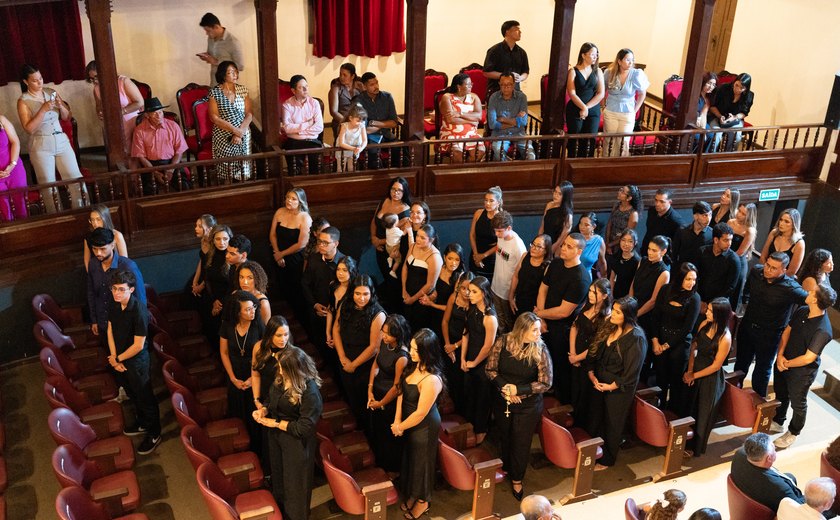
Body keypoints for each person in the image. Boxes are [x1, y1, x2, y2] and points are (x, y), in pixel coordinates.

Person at [486, 312, 552, 502]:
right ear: (522, 330)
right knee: (506, 435)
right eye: (535, 330)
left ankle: (517, 478)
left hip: (528, 405)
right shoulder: (503, 341)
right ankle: (507, 466)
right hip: (504, 398)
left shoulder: (541, 349)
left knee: (521, 442)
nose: (539, 333)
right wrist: (506, 389)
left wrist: (519, 390)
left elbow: (546, 382)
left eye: (539, 329)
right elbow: (490, 369)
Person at [253, 346, 323, 520]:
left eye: (283, 368)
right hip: (277, 438)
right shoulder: (281, 378)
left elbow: (303, 428)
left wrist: (276, 423)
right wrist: (264, 410)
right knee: (279, 479)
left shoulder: (310, 392)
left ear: (295, 370)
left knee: (295, 486)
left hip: (296, 443)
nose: (280, 370)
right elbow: (271, 399)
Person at [735, 251, 808, 397]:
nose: (768, 269)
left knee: (762, 371)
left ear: (784, 270)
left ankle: (757, 404)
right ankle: (732, 396)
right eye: (767, 265)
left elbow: (810, 302)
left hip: (769, 335)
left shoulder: (790, 288)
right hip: (748, 326)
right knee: (740, 365)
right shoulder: (757, 271)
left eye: (773, 268)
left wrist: (794, 325)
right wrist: (746, 301)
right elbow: (747, 289)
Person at [773, 283, 837, 449]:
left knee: (798, 403)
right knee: (780, 393)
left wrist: (786, 363)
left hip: (801, 372)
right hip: (784, 360)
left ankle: (793, 432)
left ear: (815, 300)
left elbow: (808, 358)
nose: (808, 292)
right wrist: (780, 355)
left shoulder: (823, 330)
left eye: (811, 292)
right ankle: (778, 420)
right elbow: (787, 331)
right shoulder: (802, 310)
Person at [17, 64, 86, 213]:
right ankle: (56, 216)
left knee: (75, 177)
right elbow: (29, 128)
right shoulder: (23, 101)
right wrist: (42, 110)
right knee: (48, 184)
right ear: (25, 82)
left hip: (60, 139)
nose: (40, 82)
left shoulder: (51, 92)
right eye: (35, 80)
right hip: (41, 143)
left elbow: (67, 117)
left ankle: (82, 210)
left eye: (40, 78)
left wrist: (61, 107)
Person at [106, 269, 161, 455]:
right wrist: (113, 357)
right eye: (114, 289)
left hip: (136, 362)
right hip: (119, 359)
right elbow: (110, 330)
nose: (116, 293)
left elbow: (138, 345)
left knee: (145, 397)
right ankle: (143, 423)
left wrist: (117, 359)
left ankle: (154, 433)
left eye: (121, 289)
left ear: (131, 289)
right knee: (132, 394)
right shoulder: (114, 305)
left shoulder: (138, 310)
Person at [588, 296, 646, 469]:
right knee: (598, 420)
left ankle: (607, 460)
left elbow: (631, 373)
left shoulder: (636, 338)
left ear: (628, 315)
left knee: (613, 423)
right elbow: (597, 352)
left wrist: (611, 386)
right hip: (600, 383)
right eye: (613, 309)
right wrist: (592, 375)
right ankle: (595, 452)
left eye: (617, 312)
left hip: (619, 389)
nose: (612, 313)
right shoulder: (611, 326)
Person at [392, 328, 444, 520]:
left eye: (416, 350)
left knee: (422, 463)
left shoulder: (431, 379)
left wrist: (400, 427)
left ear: (427, 352)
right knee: (411, 460)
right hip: (408, 422)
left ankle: (423, 501)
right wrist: (397, 420)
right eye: (411, 348)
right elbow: (401, 393)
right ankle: (414, 494)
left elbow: (421, 413)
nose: (411, 352)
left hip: (424, 427)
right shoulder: (413, 367)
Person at [535, 233, 591, 404]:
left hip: (562, 329)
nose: (563, 248)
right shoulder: (557, 263)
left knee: (560, 367)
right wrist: (542, 319)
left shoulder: (581, 277)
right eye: (564, 244)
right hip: (545, 322)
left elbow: (564, 311)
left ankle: (563, 404)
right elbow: (543, 289)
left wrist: (539, 314)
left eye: (569, 246)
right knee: (543, 361)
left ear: (579, 251)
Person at [333, 275, 386, 426]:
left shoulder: (378, 313)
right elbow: (336, 329)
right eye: (357, 294)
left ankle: (366, 429)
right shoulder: (345, 304)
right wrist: (342, 356)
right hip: (344, 355)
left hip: (364, 363)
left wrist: (353, 365)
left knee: (363, 399)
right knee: (350, 395)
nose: (361, 298)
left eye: (365, 294)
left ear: (372, 293)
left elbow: (374, 347)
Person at [684, 298, 731, 456]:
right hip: (696, 369)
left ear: (719, 314)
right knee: (690, 407)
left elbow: (716, 366)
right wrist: (690, 370)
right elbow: (694, 347)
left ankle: (695, 449)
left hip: (709, 378)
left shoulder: (725, 337)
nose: (707, 312)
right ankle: (683, 443)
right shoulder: (704, 324)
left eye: (711, 311)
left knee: (703, 414)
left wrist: (694, 375)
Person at [651, 262, 700, 413]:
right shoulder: (666, 290)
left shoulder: (694, 298)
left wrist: (665, 346)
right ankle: (658, 412)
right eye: (688, 279)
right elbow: (656, 316)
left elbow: (687, 328)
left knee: (675, 382)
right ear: (679, 278)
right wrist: (655, 341)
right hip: (660, 339)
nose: (691, 283)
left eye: (694, 280)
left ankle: (673, 414)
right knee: (661, 379)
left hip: (679, 344)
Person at [219, 290, 265, 450]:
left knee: (255, 414)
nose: (252, 311)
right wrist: (232, 378)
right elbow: (224, 353)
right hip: (235, 373)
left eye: (253, 307)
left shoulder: (258, 324)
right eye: (247, 309)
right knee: (239, 413)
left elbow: (265, 354)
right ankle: (243, 448)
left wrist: (253, 378)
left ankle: (258, 448)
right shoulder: (227, 325)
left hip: (255, 372)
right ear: (237, 312)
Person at [86, 228, 146, 347]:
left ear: (113, 245)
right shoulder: (93, 264)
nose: (98, 253)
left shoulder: (128, 266)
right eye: (94, 249)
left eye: (102, 249)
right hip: (103, 324)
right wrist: (94, 320)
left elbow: (140, 299)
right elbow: (91, 293)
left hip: (126, 327)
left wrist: (139, 329)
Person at [366, 314, 410, 474]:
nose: (383, 336)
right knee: (377, 433)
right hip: (377, 392)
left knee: (388, 438)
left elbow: (397, 387)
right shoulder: (385, 344)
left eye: (387, 333)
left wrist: (381, 403)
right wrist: (370, 388)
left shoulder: (402, 357)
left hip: (389, 401)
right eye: (383, 331)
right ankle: (379, 464)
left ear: (397, 335)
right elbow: (376, 363)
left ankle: (392, 469)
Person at [251, 315, 293, 479]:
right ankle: (271, 473)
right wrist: (257, 400)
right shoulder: (258, 348)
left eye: (286, 335)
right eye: (279, 335)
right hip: (264, 400)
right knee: (268, 441)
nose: (284, 339)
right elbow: (255, 375)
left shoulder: (290, 353)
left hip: (283, 402)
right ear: (269, 335)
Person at [730, 432, 806, 514]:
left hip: (748, 491)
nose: (775, 450)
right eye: (774, 449)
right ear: (769, 458)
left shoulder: (739, 454)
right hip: (772, 506)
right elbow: (798, 509)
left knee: (790, 477)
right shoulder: (780, 488)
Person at [461, 276, 498, 444]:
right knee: (470, 394)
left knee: (483, 397)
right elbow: (466, 333)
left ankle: (481, 429)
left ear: (483, 293)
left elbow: (488, 346)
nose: (469, 294)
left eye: (474, 292)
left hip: (483, 362)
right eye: (469, 290)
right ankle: (470, 424)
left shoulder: (490, 317)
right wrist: (463, 358)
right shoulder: (471, 308)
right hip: (470, 357)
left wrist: (475, 362)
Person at [85, 60, 144, 161]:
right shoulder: (96, 88)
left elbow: (139, 103)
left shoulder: (123, 81)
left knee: (131, 152)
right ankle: (124, 171)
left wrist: (120, 112)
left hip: (132, 120)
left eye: (96, 77)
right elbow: (99, 106)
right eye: (91, 79)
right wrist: (100, 113)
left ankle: (136, 173)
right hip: (113, 123)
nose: (94, 81)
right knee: (117, 151)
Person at [301, 226, 345, 360]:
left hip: (338, 315)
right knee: (319, 341)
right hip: (317, 310)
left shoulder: (345, 264)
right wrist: (314, 305)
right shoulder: (313, 259)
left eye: (325, 243)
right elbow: (305, 283)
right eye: (319, 241)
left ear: (336, 244)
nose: (321, 245)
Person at [131, 97, 190, 194]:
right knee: (148, 191)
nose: (158, 116)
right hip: (150, 165)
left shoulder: (173, 126)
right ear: (147, 115)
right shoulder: (139, 130)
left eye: (160, 112)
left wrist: (171, 170)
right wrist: (155, 173)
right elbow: (141, 157)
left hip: (172, 162)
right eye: (154, 113)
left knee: (184, 186)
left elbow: (179, 152)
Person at [269, 187, 312, 316]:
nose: (289, 201)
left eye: (293, 199)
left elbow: (301, 244)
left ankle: (300, 314)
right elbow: (272, 234)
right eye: (288, 197)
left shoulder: (305, 218)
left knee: (296, 288)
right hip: (277, 254)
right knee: (282, 285)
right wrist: (277, 253)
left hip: (295, 258)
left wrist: (281, 254)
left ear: (300, 201)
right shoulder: (279, 212)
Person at [370, 177, 412, 307]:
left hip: (393, 252)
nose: (396, 193)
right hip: (379, 249)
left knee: (394, 282)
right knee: (386, 278)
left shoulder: (406, 210)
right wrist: (373, 238)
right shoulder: (384, 201)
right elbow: (374, 221)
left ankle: (395, 311)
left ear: (404, 192)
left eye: (399, 190)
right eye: (393, 189)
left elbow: (396, 237)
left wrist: (379, 242)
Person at [208, 61, 252, 181]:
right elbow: (214, 118)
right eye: (231, 72)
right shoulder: (214, 92)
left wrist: (240, 132)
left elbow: (249, 114)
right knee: (226, 171)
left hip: (242, 133)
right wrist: (234, 130)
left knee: (243, 171)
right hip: (223, 134)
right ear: (223, 75)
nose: (235, 74)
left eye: (236, 71)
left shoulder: (243, 90)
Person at [602, 48, 649, 157]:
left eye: (632, 60)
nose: (630, 62)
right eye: (627, 60)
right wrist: (603, 106)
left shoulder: (636, 74)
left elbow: (642, 94)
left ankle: (620, 167)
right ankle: (606, 165)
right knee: (609, 141)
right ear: (619, 61)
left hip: (627, 113)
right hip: (611, 111)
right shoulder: (609, 72)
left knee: (623, 142)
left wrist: (634, 111)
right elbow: (602, 91)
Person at [419, 242, 466, 340]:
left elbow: (453, 307)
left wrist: (432, 304)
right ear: (444, 257)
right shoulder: (441, 268)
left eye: (457, 260)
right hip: (435, 310)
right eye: (450, 258)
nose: (453, 263)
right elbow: (437, 291)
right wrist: (429, 298)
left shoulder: (460, 278)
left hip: (449, 316)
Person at [352, 72, 400, 169]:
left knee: (399, 147)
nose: (376, 86)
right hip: (369, 136)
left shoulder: (387, 97)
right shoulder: (359, 101)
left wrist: (377, 124)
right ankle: (375, 178)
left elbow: (394, 122)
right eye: (372, 85)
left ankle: (396, 174)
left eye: (377, 83)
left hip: (386, 133)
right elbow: (360, 126)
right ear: (364, 87)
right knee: (372, 152)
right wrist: (378, 124)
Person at [441, 271, 473, 414]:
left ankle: (463, 410)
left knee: (463, 381)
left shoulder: (474, 304)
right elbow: (445, 321)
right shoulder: (453, 298)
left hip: (465, 344)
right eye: (463, 288)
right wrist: (448, 345)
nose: (466, 292)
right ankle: (454, 404)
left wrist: (455, 346)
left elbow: (471, 333)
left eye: (469, 289)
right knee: (451, 375)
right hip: (450, 342)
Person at [565, 42, 604, 158]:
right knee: (574, 139)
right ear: (583, 55)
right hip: (575, 107)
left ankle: (585, 166)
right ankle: (571, 164)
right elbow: (571, 92)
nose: (595, 57)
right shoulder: (573, 71)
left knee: (590, 141)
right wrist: (582, 107)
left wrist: (587, 108)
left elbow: (601, 93)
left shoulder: (598, 71)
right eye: (592, 54)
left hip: (593, 109)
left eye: (596, 54)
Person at [490, 210, 527, 333]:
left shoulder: (518, 246)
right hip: (495, 286)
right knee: (499, 318)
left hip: (507, 291)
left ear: (509, 228)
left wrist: (512, 294)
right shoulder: (501, 237)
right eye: (495, 230)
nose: (496, 234)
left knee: (509, 322)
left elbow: (521, 273)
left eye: (499, 231)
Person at [401, 224, 442, 332]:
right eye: (417, 236)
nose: (418, 239)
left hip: (421, 300)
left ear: (431, 240)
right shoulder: (413, 246)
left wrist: (413, 299)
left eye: (422, 238)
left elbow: (430, 285)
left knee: (418, 328)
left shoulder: (434, 257)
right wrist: (404, 289)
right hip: (407, 293)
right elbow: (405, 266)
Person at [630, 235, 671, 341]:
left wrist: (635, 315)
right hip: (633, 307)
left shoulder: (664, 272)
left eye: (654, 250)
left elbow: (653, 301)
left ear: (663, 251)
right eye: (649, 249)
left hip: (646, 315)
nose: (650, 252)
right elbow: (633, 283)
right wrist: (629, 305)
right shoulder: (642, 261)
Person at [281, 75, 324, 175]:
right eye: (301, 87)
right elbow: (287, 128)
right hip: (295, 142)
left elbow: (319, 127)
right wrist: (308, 124)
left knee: (317, 170)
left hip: (312, 141)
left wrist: (298, 130)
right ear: (293, 91)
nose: (305, 89)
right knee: (295, 171)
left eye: (306, 86)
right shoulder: (287, 105)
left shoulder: (315, 103)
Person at [487, 72, 535, 161]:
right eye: (503, 84)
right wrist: (516, 121)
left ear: (514, 84)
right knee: (499, 155)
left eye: (509, 84)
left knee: (531, 156)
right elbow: (492, 124)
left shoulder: (522, 97)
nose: (506, 87)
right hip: (499, 134)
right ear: (499, 84)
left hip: (519, 133)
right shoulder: (494, 97)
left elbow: (523, 122)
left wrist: (502, 119)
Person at [439, 73, 485, 163]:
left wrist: (460, 114)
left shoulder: (474, 97)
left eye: (471, 84)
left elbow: (479, 116)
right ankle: (460, 174)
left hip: (471, 134)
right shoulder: (447, 97)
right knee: (457, 154)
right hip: (451, 134)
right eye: (468, 84)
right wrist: (471, 121)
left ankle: (467, 173)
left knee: (479, 152)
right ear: (459, 86)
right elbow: (450, 119)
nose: (471, 86)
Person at [201, 224, 233, 344]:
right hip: (212, 299)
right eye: (218, 239)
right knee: (213, 333)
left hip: (228, 301)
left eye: (225, 239)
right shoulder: (209, 256)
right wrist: (214, 301)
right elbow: (207, 279)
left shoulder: (232, 257)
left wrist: (221, 304)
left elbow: (233, 285)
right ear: (213, 240)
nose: (222, 243)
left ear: (230, 239)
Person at [697, 223, 741, 309]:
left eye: (731, 240)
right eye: (726, 240)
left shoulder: (734, 260)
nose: (729, 244)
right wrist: (699, 300)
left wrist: (711, 304)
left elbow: (729, 288)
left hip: (717, 305)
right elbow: (696, 276)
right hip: (698, 298)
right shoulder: (702, 251)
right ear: (716, 240)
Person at [709, 72, 754, 152]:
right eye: (737, 85)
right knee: (716, 135)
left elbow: (744, 112)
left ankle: (726, 158)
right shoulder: (724, 88)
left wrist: (735, 117)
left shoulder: (749, 95)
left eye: (742, 87)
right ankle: (711, 158)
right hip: (717, 116)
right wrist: (720, 116)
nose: (738, 89)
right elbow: (712, 106)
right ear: (734, 82)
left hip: (735, 120)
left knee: (736, 136)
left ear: (746, 88)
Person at [510, 234, 553, 318]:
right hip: (518, 301)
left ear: (546, 250)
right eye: (533, 244)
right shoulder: (525, 256)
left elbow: (544, 292)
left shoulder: (548, 266)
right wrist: (511, 296)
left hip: (533, 308)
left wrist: (540, 312)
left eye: (538, 246)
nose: (533, 248)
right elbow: (516, 276)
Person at [483, 20, 529, 94]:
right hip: (497, 90)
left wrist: (520, 78)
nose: (520, 32)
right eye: (517, 29)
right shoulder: (494, 50)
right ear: (507, 32)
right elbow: (486, 72)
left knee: (522, 99)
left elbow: (525, 71)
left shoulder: (522, 52)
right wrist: (507, 76)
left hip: (515, 90)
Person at [198, 13, 244, 85]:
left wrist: (216, 62)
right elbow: (211, 55)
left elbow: (240, 66)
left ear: (216, 27)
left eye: (208, 31)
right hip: (214, 82)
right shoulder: (210, 39)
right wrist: (206, 56)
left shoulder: (233, 42)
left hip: (227, 85)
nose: (206, 33)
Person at [325, 256, 357, 357]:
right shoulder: (333, 285)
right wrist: (328, 333)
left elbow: (352, 320)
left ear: (351, 271)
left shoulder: (355, 291)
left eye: (344, 270)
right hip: (333, 327)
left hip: (347, 333)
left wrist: (337, 338)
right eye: (338, 269)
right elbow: (330, 309)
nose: (340, 273)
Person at [759, 208, 806, 277]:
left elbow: (792, 271)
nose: (781, 223)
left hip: (782, 280)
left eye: (786, 221)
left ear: (794, 225)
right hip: (765, 273)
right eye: (781, 220)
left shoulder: (799, 243)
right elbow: (763, 256)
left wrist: (774, 278)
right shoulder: (774, 233)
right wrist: (766, 272)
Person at [642, 189, 685, 261]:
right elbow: (649, 231)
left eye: (662, 201)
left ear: (670, 202)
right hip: (646, 248)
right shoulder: (651, 210)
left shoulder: (676, 221)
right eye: (656, 200)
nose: (657, 204)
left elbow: (676, 245)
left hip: (661, 256)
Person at [728, 202, 757, 307]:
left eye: (743, 213)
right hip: (726, 256)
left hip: (738, 262)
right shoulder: (730, 222)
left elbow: (740, 252)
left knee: (733, 294)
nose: (739, 214)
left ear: (749, 216)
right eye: (739, 211)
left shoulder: (750, 230)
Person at [470, 186, 503, 278]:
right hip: (475, 253)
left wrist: (483, 256)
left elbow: (501, 244)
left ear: (498, 202)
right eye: (486, 200)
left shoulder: (501, 219)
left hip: (490, 258)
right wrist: (476, 255)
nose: (487, 203)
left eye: (491, 201)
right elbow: (472, 235)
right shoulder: (478, 213)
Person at [83, 204, 128, 271]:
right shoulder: (88, 237)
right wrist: (91, 274)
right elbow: (87, 260)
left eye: (98, 219)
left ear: (105, 219)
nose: (95, 223)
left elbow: (124, 260)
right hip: (97, 271)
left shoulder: (117, 235)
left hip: (116, 272)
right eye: (92, 220)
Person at [0, 113, 27, 222]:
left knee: (21, 204)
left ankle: (27, 232)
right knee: (5, 209)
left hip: (14, 167)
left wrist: (12, 164)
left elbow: (15, 142)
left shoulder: (1, 119)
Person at [672, 201, 712, 269]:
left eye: (710, 214)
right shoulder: (682, 231)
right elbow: (674, 253)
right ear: (695, 216)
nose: (708, 219)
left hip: (702, 274)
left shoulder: (712, 233)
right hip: (683, 272)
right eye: (704, 215)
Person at [538, 181, 574, 255]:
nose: (555, 195)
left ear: (566, 196)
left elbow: (561, 239)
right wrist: (538, 241)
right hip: (543, 241)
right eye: (555, 192)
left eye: (559, 194)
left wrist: (550, 251)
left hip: (555, 245)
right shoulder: (549, 205)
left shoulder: (568, 216)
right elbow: (542, 225)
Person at [328, 63, 364, 138]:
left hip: (358, 121)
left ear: (353, 76)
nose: (341, 77)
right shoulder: (336, 89)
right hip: (341, 121)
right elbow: (334, 112)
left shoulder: (359, 87)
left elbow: (367, 104)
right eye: (340, 74)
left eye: (345, 75)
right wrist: (348, 123)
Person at [605, 185, 642, 254]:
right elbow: (610, 223)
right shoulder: (616, 205)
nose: (619, 192)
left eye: (622, 192)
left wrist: (610, 245)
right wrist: (607, 242)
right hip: (610, 241)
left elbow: (628, 234)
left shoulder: (633, 214)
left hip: (622, 244)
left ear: (629, 198)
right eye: (620, 190)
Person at [607, 229, 640, 299]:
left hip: (628, 296)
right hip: (615, 292)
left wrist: (628, 300)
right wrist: (611, 295)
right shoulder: (617, 256)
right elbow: (612, 277)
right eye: (623, 240)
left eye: (630, 241)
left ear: (635, 243)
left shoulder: (637, 261)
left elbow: (634, 284)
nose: (626, 244)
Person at [235, 261, 271, 325]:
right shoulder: (235, 294)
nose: (245, 282)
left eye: (250, 278)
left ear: (257, 279)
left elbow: (266, 331)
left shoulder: (263, 302)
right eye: (241, 277)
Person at [190, 214, 217, 298]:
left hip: (213, 278)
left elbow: (213, 270)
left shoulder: (215, 244)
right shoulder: (203, 240)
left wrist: (201, 286)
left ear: (210, 229)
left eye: (200, 226)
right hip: (204, 274)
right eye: (196, 226)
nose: (196, 228)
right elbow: (202, 260)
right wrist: (195, 281)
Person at [335, 104, 367, 172]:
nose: (360, 123)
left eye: (361, 121)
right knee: (341, 169)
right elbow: (341, 143)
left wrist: (360, 149)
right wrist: (354, 149)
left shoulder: (362, 126)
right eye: (358, 121)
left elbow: (365, 141)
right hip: (343, 150)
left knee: (351, 169)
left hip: (354, 150)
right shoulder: (344, 126)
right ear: (350, 118)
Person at [576, 212, 607, 276]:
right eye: (580, 224)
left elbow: (602, 263)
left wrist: (604, 278)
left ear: (593, 227)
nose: (582, 227)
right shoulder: (574, 238)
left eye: (586, 225)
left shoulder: (598, 241)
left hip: (586, 276)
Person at [383, 213, 405, 279]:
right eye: (398, 219)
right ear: (394, 223)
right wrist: (407, 229)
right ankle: (393, 271)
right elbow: (403, 234)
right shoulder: (396, 230)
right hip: (394, 247)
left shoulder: (387, 229)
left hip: (388, 246)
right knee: (398, 260)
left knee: (393, 256)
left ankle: (390, 257)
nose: (399, 220)